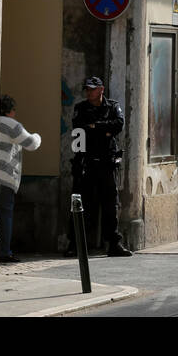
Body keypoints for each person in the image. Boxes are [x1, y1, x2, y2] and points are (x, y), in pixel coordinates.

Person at [66, 76, 132, 258]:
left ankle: (113, 243)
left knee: (111, 204)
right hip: (86, 162)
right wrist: (104, 130)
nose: (88, 92)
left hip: (107, 163)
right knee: (80, 205)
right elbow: (79, 128)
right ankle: (75, 243)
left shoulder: (112, 106)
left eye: (92, 89)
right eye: (87, 89)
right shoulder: (81, 108)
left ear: (101, 89)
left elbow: (118, 124)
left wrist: (95, 126)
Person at [0, 94, 41, 264]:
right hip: (5, 177)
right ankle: (4, 252)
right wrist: (38, 135)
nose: (15, 113)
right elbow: (31, 144)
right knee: (5, 215)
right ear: (10, 111)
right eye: (14, 110)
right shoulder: (11, 124)